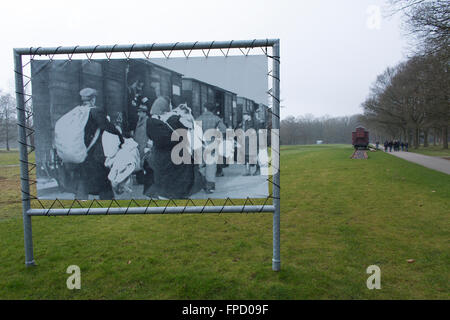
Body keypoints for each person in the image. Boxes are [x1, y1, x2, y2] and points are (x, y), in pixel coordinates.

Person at [144, 96, 204, 199]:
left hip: (161, 163)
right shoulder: (174, 120)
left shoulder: (151, 124)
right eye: (170, 105)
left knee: (165, 194)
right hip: (177, 164)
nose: (171, 107)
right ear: (165, 108)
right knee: (178, 193)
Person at [75, 88, 124, 200]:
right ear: (93, 99)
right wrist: (121, 137)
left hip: (82, 151)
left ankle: (81, 203)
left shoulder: (79, 112)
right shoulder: (95, 111)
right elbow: (107, 127)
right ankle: (108, 207)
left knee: (84, 180)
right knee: (103, 181)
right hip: (96, 153)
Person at [196, 102, 227, 193]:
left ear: (205, 108)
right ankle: (210, 187)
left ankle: (202, 184)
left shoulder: (198, 119)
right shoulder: (216, 119)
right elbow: (224, 130)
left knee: (201, 165)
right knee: (211, 166)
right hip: (212, 144)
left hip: (201, 145)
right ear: (213, 110)